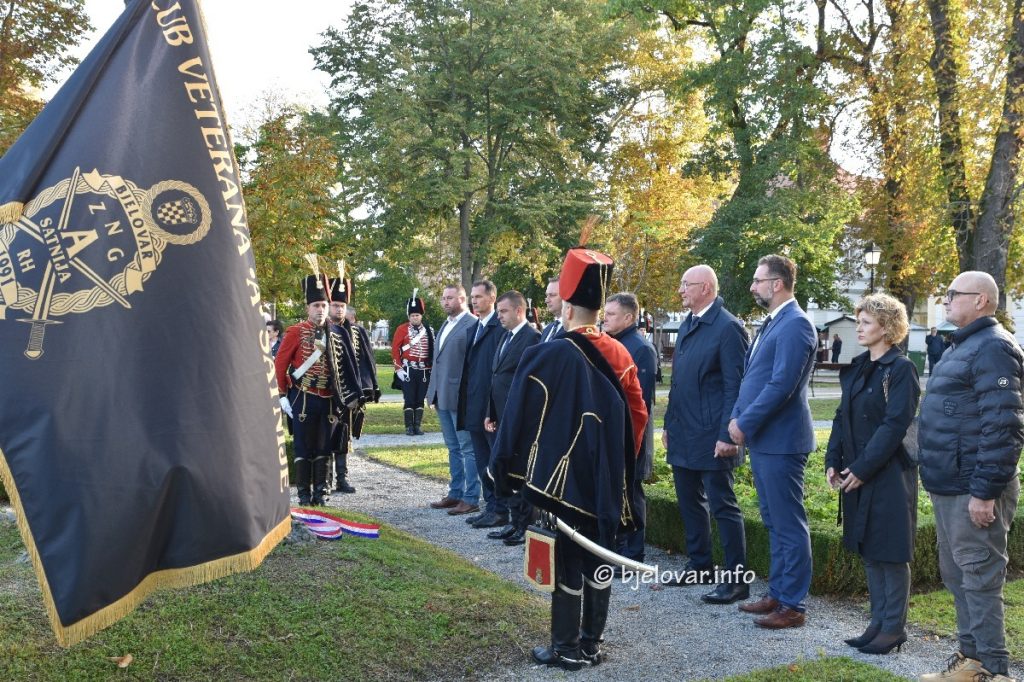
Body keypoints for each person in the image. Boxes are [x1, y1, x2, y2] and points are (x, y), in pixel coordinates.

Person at [492, 244, 647, 671]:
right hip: (607, 478)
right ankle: (591, 643)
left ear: (566, 305)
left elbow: (520, 418)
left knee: (566, 558)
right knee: (599, 556)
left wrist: (508, 470)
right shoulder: (621, 352)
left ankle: (565, 648)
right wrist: (618, 468)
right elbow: (639, 415)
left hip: (562, 481)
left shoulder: (551, 352)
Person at [918, 271, 1023, 682]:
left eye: (952, 294)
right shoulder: (963, 344)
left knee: (979, 576)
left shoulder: (993, 347)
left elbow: (1004, 426)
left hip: (973, 488)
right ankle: (971, 660)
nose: (945, 300)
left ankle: (992, 670)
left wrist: (984, 492)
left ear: (980, 300)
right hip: (950, 484)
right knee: (958, 574)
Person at [825, 293, 920, 655]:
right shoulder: (860, 366)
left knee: (891, 551)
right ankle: (877, 622)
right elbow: (840, 416)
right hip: (856, 471)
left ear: (887, 327)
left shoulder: (901, 369)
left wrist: (863, 468)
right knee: (869, 548)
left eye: (865, 322)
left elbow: (895, 425)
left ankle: (893, 627)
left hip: (889, 473)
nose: (859, 328)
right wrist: (833, 459)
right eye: (859, 321)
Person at [729, 254, 817, 630]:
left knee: (788, 523)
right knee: (774, 522)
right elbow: (753, 377)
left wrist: (745, 422)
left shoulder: (796, 325)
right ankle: (778, 594)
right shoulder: (774, 323)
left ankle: (793, 605)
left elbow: (782, 384)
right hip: (766, 439)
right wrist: (737, 418)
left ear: (777, 283)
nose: (753, 287)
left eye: (757, 280)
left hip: (782, 440)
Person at [662, 265, 750, 603]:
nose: (681, 290)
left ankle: (736, 579)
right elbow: (678, 381)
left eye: (687, 284)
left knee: (723, 505)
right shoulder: (688, 323)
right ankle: (700, 565)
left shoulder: (728, 328)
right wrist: (669, 422)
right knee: (689, 502)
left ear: (707, 288)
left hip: (714, 434)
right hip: (684, 431)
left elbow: (735, 387)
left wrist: (728, 435)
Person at [276, 271, 360, 506]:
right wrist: (282, 395)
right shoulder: (295, 331)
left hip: (328, 398)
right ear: (308, 308)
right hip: (303, 397)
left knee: (324, 446)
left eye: (324, 305)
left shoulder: (336, 333)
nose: (321, 310)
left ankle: (320, 493)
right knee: (303, 445)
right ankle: (303, 494)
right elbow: (279, 365)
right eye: (316, 305)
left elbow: (347, 366)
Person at [603, 292, 658, 565]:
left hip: (632, 431)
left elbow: (640, 401)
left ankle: (634, 554)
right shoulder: (611, 344)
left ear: (628, 317)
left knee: (632, 493)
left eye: (611, 314)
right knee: (616, 491)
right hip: (613, 431)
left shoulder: (641, 348)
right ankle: (617, 548)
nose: (605, 318)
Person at [483, 290, 541, 544]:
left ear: (519, 311)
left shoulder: (533, 338)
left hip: (520, 420)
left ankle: (524, 525)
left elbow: (530, 383)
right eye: (498, 311)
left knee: (519, 471)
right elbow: (497, 377)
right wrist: (491, 413)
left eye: (503, 311)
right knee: (503, 469)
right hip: (502, 416)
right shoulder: (505, 337)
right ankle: (512, 520)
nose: (499, 316)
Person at [426, 284, 480, 516]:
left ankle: (471, 497)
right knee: (452, 447)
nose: (445, 302)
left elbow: (473, 365)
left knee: (468, 448)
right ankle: (455, 492)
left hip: (461, 397)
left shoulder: (472, 324)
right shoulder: (446, 324)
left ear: (462, 299)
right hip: (442, 396)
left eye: (450, 298)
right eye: (443, 298)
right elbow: (438, 361)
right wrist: (432, 392)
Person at [458, 280, 506, 529]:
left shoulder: (499, 328)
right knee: (480, 460)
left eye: (478, 297)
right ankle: (489, 506)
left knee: (493, 460)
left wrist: (491, 410)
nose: (474, 301)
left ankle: (500, 508)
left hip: (490, 408)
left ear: (492, 298)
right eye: (472, 297)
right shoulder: (475, 327)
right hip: (474, 406)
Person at [325, 277, 371, 495]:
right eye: (335, 305)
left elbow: (365, 362)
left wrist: (362, 390)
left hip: (349, 394)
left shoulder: (357, 332)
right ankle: (324, 480)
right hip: (325, 393)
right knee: (325, 436)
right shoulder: (320, 330)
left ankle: (341, 479)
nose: (339, 309)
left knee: (344, 436)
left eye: (342, 306)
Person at [391, 291, 434, 436]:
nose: (415, 317)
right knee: (409, 399)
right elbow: (395, 349)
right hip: (408, 369)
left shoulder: (429, 330)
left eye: (417, 315)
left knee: (420, 399)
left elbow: (433, 349)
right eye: (412, 315)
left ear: (421, 316)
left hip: (424, 370)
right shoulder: (401, 329)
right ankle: (408, 426)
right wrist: (398, 369)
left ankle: (417, 426)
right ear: (409, 316)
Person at [540, 277, 564, 342]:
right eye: (547, 295)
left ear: (566, 296)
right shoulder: (546, 330)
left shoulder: (574, 329)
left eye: (552, 295)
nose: (547, 300)